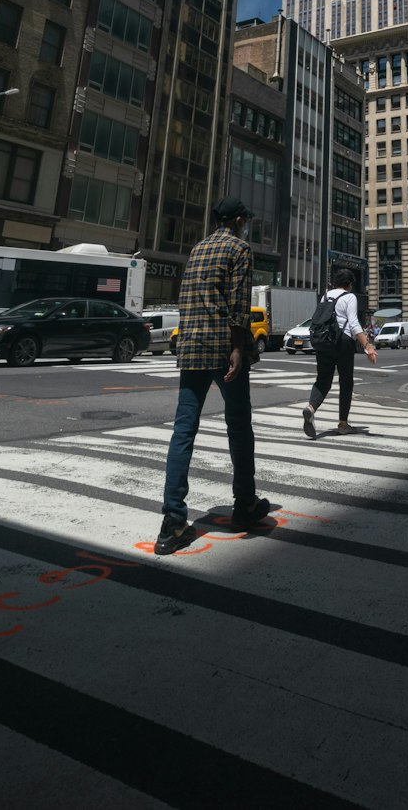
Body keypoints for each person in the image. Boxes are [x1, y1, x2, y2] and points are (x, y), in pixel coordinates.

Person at [155, 196, 270, 555]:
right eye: (245, 219)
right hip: (223, 347)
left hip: (191, 347)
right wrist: (238, 347)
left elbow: (187, 299)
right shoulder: (239, 248)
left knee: (183, 430)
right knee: (238, 426)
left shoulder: (198, 248)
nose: (246, 224)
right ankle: (245, 505)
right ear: (237, 220)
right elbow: (238, 304)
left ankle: (172, 522)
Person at [303, 268, 376, 438]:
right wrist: (367, 345)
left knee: (323, 380)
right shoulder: (350, 297)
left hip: (323, 340)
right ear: (349, 284)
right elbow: (353, 324)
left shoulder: (326, 296)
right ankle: (343, 423)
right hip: (342, 341)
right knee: (345, 381)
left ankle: (311, 408)